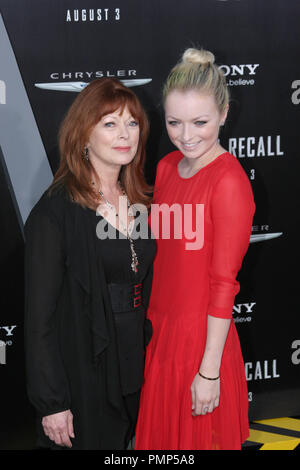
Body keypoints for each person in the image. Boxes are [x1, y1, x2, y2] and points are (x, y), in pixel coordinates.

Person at [24, 77, 156, 450]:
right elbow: (40, 321)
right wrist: (53, 404)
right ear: (83, 135)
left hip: (138, 362)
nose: (124, 133)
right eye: (110, 123)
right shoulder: (55, 213)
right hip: (85, 367)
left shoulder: (142, 202)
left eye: (132, 123)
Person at [134, 48, 256, 450]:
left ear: (224, 113)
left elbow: (224, 285)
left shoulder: (229, 183)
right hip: (159, 336)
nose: (186, 136)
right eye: (174, 122)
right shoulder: (167, 167)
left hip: (201, 346)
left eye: (200, 122)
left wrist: (208, 372)